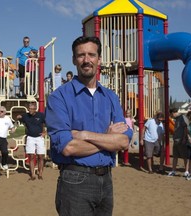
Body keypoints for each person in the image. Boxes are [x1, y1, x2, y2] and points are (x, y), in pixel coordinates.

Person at [45, 36, 132, 215]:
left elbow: (123, 142)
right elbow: (68, 147)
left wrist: (84, 134)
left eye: (91, 55)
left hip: (106, 180)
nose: (86, 60)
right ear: (74, 59)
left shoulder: (110, 97)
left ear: (99, 59)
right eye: (81, 55)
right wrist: (108, 138)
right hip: (74, 180)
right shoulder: (59, 97)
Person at [16, 103, 46, 181]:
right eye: (29, 109)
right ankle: (32, 174)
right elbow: (18, 118)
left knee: (40, 156)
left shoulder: (41, 115)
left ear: (35, 109)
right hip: (30, 138)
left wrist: (45, 132)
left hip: (39, 137)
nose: (30, 110)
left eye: (32, 109)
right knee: (31, 156)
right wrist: (18, 117)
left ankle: (40, 173)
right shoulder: (25, 116)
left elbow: (48, 124)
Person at [167, 108, 189, 177]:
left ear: (173, 113)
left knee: (185, 156)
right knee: (175, 156)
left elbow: (185, 128)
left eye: (171, 114)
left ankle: (186, 171)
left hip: (181, 140)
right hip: (176, 140)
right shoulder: (177, 119)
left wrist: (184, 139)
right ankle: (173, 170)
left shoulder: (182, 118)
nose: (171, 116)